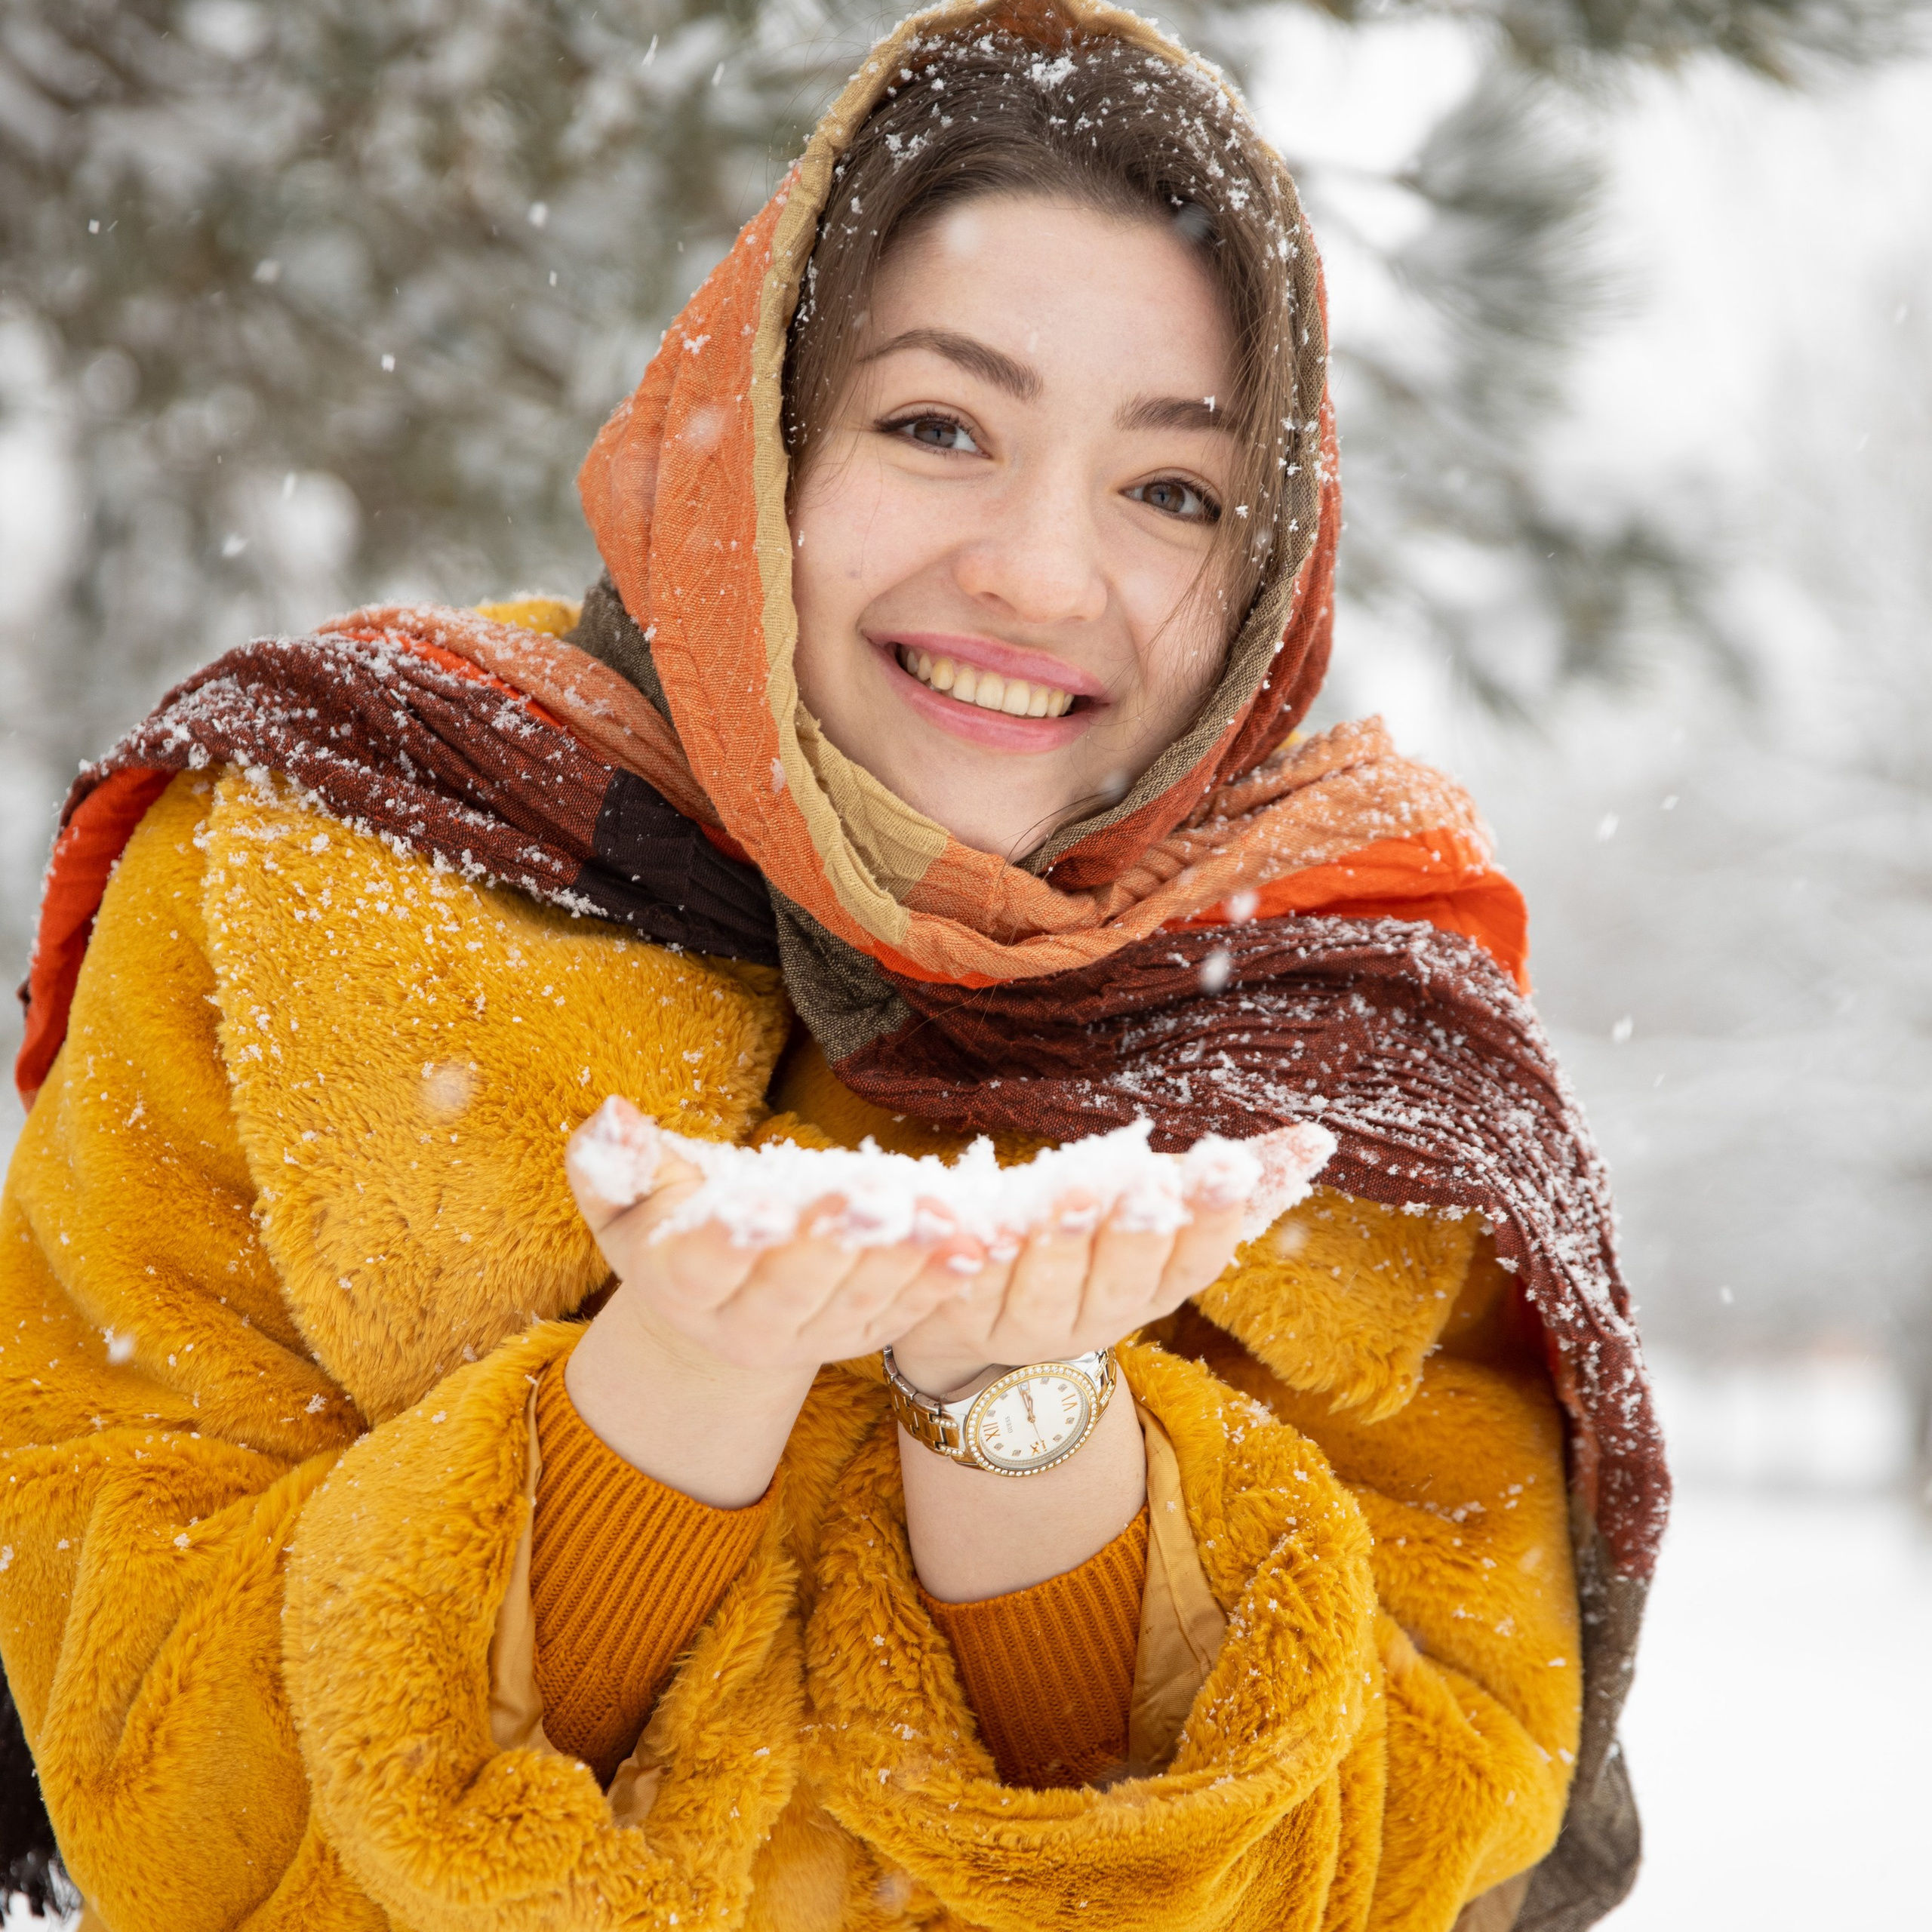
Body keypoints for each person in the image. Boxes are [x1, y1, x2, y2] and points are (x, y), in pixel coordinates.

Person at [0, 3, 1668, 1927]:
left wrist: (1024, 1422)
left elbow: (1400, 1855)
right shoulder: (333, 858)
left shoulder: (1341, 1054)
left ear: (1271, 553)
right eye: (938, 426)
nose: (1039, 575)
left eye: (1170, 490)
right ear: (758, 440)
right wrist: (669, 1395)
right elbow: (148, 1765)